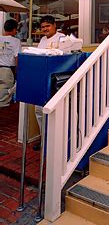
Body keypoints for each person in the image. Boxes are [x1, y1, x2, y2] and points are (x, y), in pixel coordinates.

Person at [34, 15, 65, 150]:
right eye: (43, 27)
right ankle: (44, 140)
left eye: (47, 26)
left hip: (56, 81)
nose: (45, 29)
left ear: (54, 26)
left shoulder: (62, 38)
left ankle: (55, 142)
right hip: (41, 79)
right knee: (39, 110)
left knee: (53, 112)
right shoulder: (42, 40)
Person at [0, 19, 21, 107]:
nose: (16, 31)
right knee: (4, 99)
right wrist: (18, 71)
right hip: (7, 71)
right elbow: (17, 57)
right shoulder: (16, 41)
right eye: (16, 29)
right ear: (13, 29)